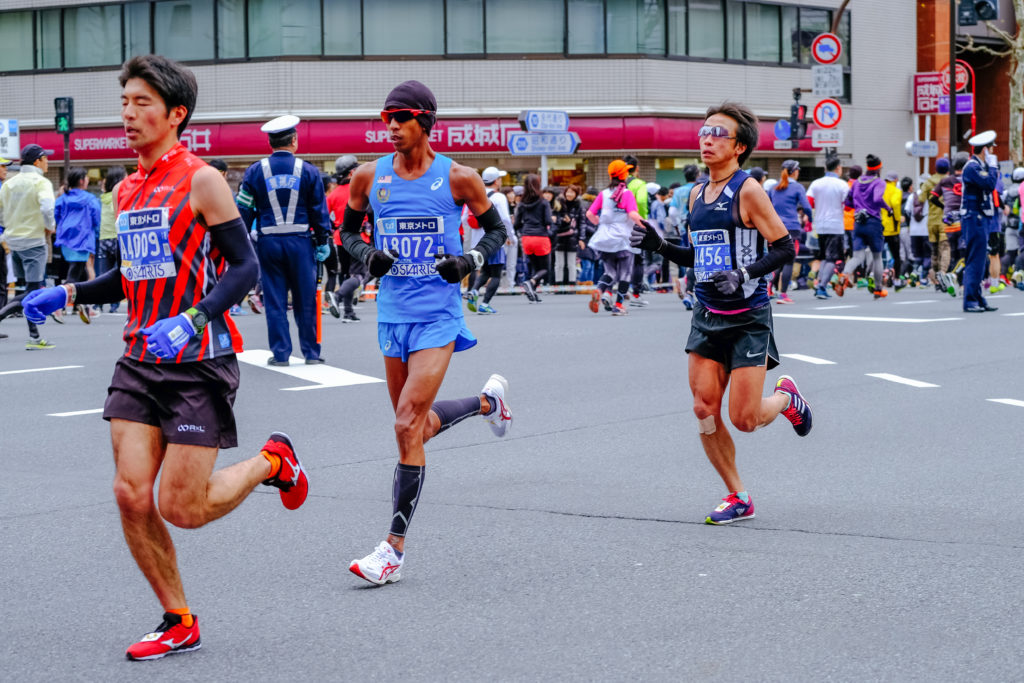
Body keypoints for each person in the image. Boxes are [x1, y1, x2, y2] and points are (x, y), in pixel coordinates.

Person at [20, 54, 307, 661]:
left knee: (182, 507)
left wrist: (194, 318)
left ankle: (272, 461)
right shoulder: (126, 189)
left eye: (141, 102)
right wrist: (67, 292)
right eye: (124, 102)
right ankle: (178, 618)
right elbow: (132, 274)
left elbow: (246, 267)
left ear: (176, 114)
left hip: (198, 360)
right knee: (130, 494)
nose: (127, 113)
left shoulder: (203, 180)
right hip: (138, 357)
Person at [339, 80, 511, 585]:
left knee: (404, 424)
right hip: (391, 314)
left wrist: (468, 261)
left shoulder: (458, 178)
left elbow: (496, 231)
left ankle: (392, 550)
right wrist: (368, 255)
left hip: (438, 316)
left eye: (402, 118)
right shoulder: (369, 177)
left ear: (426, 122)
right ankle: (487, 404)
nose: (392, 127)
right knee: (415, 427)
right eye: (387, 119)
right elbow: (347, 232)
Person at [629, 102, 812, 525]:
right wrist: (660, 246)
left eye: (718, 134)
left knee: (744, 419)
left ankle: (786, 398)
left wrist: (743, 273)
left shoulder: (749, 190)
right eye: (704, 132)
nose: (707, 140)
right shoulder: (696, 194)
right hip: (707, 313)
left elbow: (785, 247)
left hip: (748, 315)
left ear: (739, 146)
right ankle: (737, 495)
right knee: (704, 411)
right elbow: (699, 256)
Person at [237, 115, 332, 365]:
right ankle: (311, 353)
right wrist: (323, 240)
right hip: (301, 242)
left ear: (270, 143)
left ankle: (280, 354)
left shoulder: (255, 171)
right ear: (294, 140)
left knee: (275, 300)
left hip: (268, 243)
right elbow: (319, 210)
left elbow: (244, 210)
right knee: (305, 299)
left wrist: (241, 240)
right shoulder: (309, 171)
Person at [0, 144, 57, 349]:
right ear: (37, 161)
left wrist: (9, 228)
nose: (48, 162)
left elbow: (1, 212)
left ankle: (34, 336)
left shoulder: (9, 184)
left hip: (13, 242)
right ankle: (26, 332)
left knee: (28, 289)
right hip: (34, 242)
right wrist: (50, 226)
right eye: (45, 159)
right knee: (33, 291)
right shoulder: (41, 182)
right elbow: (47, 207)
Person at [585, 160, 646, 316]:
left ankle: (599, 290)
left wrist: (599, 223)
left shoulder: (604, 193)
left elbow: (590, 214)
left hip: (605, 238)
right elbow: (633, 214)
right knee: (625, 274)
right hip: (623, 237)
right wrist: (645, 226)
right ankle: (618, 305)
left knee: (610, 272)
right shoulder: (627, 193)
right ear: (624, 175)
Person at [54, 166, 102, 323]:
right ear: (82, 181)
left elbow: (57, 216)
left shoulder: (62, 198)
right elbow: (96, 219)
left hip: (66, 239)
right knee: (74, 275)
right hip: (83, 239)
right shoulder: (90, 199)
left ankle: (82, 305)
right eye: (86, 178)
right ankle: (57, 305)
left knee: (79, 273)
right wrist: (95, 234)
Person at [838, 154, 888, 299]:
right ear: (879, 168)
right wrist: (888, 208)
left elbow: (848, 203)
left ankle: (844, 275)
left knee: (857, 256)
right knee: (877, 257)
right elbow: (877, 199)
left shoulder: (857, 182)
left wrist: (860, 206)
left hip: (858, 222)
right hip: (873, 223)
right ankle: (878, 289)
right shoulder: (879, 182)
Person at [960, 130, 1000, 312]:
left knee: (981, 259)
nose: (993, 152)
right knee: (975, 259)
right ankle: (970, 300)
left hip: (979, 216)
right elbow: (989, 184)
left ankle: (978, 298)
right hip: (973, 216)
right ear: (985, 150)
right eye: (991, 149)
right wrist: (993, 166)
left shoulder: (978, 166)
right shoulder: (972, 167)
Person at [326, 154, 366, 322]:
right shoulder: (360, 190)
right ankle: (337, 296)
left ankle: (348, 312)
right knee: (359, 275)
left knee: (346, 275)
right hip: (358, 238)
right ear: (351, 173)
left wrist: (333, 227)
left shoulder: (333, 194)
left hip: (340, 238)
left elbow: (323, 216)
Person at [466, 166, 511, 314]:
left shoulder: (474, 194)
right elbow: (505, 219)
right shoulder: (499, 197)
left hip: (479, 243)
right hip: (495, 240)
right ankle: (485, 304)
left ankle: (474, 290)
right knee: (496, 274)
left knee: (485, 271)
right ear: (496, 181)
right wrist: (510, 236)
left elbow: (465, 218)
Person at [767, 159, 811, 304]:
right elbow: (807, 207)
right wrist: (809, 219)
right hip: (792, 228)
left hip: (775, 228)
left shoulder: (773, 188)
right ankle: (783, 295)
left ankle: (768, 290)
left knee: (776, 261)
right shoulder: (797, 187)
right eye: (798, 170)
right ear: (794, 172)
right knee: (788, 262)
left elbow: (767, 208)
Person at [806, 156, 849, 299]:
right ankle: (822, 287)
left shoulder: (816, 183)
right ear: (838, 168)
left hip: (820, 225)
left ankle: (819, 284)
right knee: (832, 258)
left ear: (825, 168)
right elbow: (848, 205)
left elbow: (809, 202)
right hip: (835, 225)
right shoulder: (842, 185)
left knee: (824, 257)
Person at [513, 173, 553, 302]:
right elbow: (548, 221)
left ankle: (533, 293)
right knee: (545, 269)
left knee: (535, 267)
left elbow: (516, 224)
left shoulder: (521, 204)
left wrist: (523, 230)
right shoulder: (544, 202)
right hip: (541, 237)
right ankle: (531, 282)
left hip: (526, 238)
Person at [96, 166, 126, 313]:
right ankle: (114, 304)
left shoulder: (102, 199)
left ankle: (99, 303)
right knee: (117, 272)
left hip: (104, 238)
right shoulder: (121, 196)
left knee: (103, 273)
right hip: (117, 238)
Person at [622, 154, 650, 306]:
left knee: (621, 258)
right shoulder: (639, 184)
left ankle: (621, 291)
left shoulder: (618, 184)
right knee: (638, 260)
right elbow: (641, 201)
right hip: (635, 225)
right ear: (637, 168)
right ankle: (636, 294)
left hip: (619, 225)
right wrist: (642, 219)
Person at [551, 183, 584, 286]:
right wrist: (563, 220)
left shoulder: (579, 206)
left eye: (572, 192)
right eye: (568, 192)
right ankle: (558, 284)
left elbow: (582, 223)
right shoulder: (559, 205)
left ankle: (571, 285)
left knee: (571, 263)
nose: (569, 194)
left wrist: (581, 238)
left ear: (576, 194)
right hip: (560, 237)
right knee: (559, 263)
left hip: (572, 238)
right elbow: (554, 220)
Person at [880, 172, 904, 289]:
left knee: (877, 254)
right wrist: (898, 218)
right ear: (895, 180)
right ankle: (897, 280)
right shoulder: (896, 191)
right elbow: (895, 203)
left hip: (880, 226)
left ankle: (874, 276)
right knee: (896, 255)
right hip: (892, 228)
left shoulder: (880, 189)